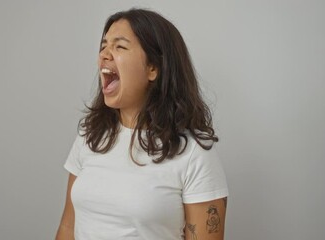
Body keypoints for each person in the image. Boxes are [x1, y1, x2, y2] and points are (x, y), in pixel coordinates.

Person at [55, 8, 228, 240]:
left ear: (153, 68)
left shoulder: (193, 152)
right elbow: (68, 227)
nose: (104, 54)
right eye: (104, 46)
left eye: (120, 46)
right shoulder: (90, 135)